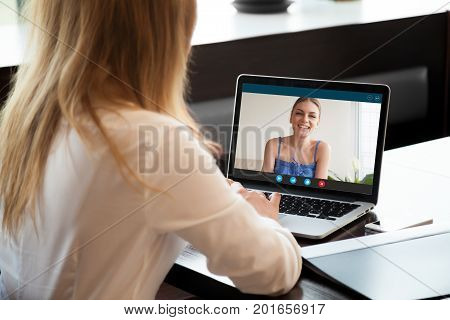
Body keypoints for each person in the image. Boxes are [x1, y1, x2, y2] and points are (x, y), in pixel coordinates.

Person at [0, 0, 302, 299]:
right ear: (167, 33)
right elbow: (269, 273)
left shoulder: (24, 122)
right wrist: (262, 220)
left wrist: (208, 200)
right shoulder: (151, 140)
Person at [262, 98, 331, 179]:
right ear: (291, 117)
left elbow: (319, 189)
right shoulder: (273, 145)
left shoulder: (323, 149)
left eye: (312, 116)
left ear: (318, 122)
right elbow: (266, 184)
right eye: (299, 113)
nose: (305, 119)